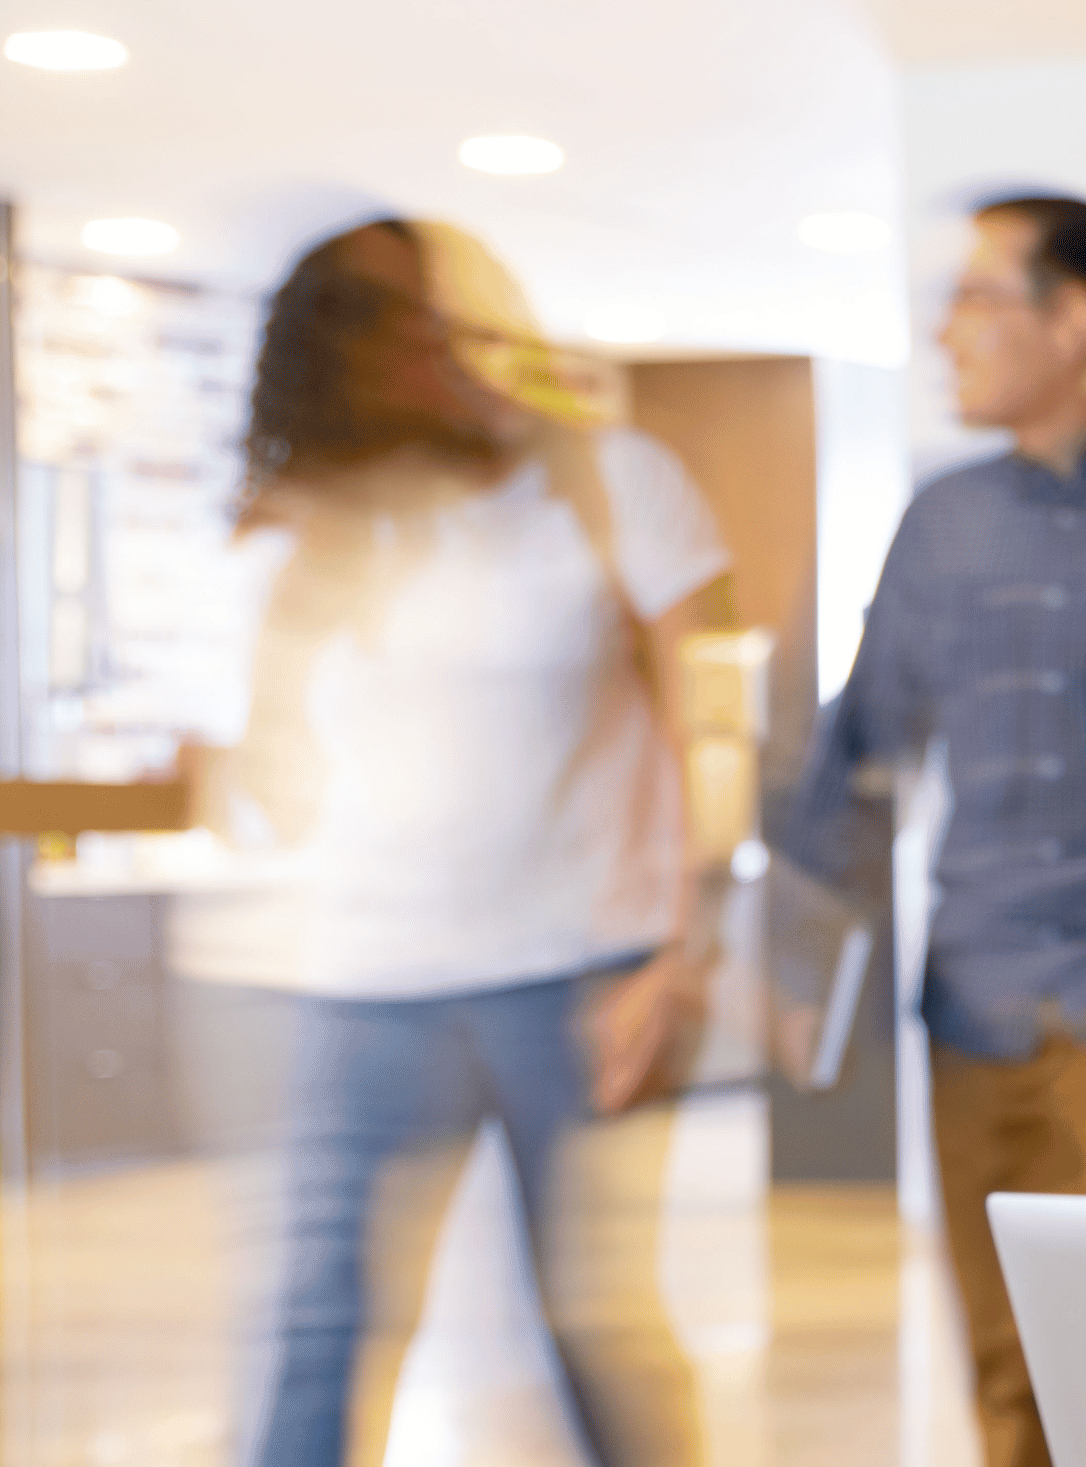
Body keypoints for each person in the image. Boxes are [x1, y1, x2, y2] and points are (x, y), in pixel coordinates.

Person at [771, 193, 1086, 1467]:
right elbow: (862, 744)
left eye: (976, 300)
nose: (946, 333)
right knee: (998, 1354)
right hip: (973, 994)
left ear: (1075, 322)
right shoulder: (939, 524)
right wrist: (785, 959)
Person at [214, 217, 715, 1466]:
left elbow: (714, 734)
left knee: (586, 1320)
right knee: (318, 1324)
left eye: (443, 325)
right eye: (391, 335)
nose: (432, 358)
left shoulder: (614, 482)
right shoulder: (334, 521)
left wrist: (685, 953)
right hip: (366, 984)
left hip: (574, 973)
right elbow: (278, 784)